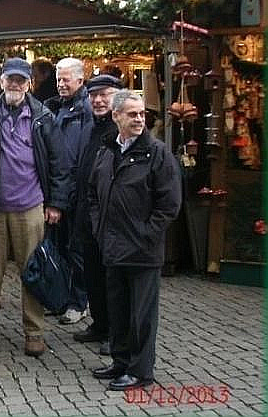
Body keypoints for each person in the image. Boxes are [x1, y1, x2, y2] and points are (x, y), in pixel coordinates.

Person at [0, 57, 69, 357]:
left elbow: (59, 163)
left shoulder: (43, 117)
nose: (14, 84)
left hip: (31, 206)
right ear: (1, 82)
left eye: (20, 80)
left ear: (28, 84)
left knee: (32, 272)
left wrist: (56, 203)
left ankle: (34, 333)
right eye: (10, 79)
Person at [88, 90, 181, 390]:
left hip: (143, 251)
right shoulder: (107, 151)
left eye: (142, 114)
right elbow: (92, 193)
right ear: (116, 116)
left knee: (142, 316)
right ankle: (121, 362)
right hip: (113, 246)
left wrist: (145, 234)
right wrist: (99, 228)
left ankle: (141, 372)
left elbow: (169, 205)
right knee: (118, 310)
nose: (139, 119)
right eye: (132, 114)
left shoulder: (157, 153)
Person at [70, 74, 122, 356]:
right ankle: (100, 324)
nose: (98, 100)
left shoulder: (121, 129)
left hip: (110, 217)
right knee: (92, 273)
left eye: (105, 95)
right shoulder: (92, 127)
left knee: (111, 278)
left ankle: (116, 333)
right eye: (94, 96)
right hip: (87, 213)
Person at [44, 57, 93, 325]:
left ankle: (78, 302)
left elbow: (78, 157)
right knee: (60, 248)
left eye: (65, 79)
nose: (61, 84)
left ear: (80, 80)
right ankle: (63, 298)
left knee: (76, 250)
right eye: (58, 79)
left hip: (75, 192)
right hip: (59, 190)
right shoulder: (57, 107)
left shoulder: (86, 110)